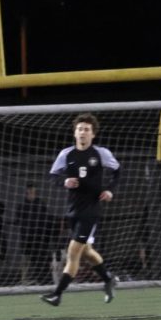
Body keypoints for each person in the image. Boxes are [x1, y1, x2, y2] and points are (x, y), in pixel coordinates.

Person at [41, 113, 121, 306]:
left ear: (93, 134)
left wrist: (109, 190)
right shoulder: (66, 154)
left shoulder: (101, 153)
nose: (82, 133)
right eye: (79, 129)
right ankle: (108, 278)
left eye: (86, 129)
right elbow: (53, 176)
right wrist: (64, 181)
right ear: (74, 133)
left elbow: (118, 171)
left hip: (91, 210)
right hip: (73, 210)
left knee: (73, 252)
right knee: (86, 252)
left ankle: (57, 294)